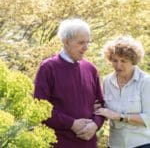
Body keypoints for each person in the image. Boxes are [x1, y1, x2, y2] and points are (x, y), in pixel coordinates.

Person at [34, 18, 104, 148]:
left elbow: (101, 106)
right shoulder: (48, 68)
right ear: (66, 42)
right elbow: (39, 107)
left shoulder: (91, 69)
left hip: (88, 143)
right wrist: (71, 123)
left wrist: (95, 125)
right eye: (81, 43)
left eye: (87, 42)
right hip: (59, 143)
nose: (86, 48)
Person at [94, 36, 150, 148]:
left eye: (123, 61)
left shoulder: (146, 81)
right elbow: (104, 109)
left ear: (133, 61)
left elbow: (148, 118)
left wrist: (119, 116)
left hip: (142, 144)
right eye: (115, 60)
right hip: (115, 144)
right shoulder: (107, 81)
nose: (118, 65)